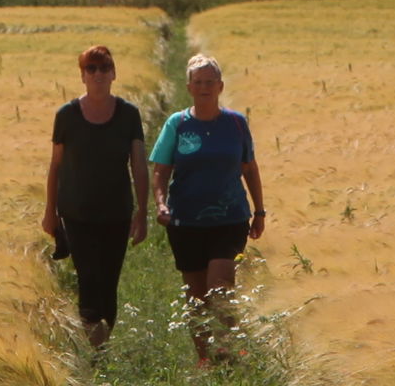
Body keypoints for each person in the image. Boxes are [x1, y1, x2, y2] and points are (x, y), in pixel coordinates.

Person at [149, 52, 265, 365]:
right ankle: (204, 359)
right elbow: (160, 170)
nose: (205, 87)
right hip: (185, 220)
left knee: (221, 287)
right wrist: (160, 203)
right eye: (198, 82)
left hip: (230, 218)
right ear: (189, 87)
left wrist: (260, 211)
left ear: (220, 86)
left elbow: (249, 168)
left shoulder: (236, 124)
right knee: (197, 297)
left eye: (210, 82)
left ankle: (228, 352)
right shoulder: (178, 124)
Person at [40, 43, 151, 348]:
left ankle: (101, 346)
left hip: (116, 212)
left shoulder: (129, 115)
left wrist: (142, 212)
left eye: (104, 68)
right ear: (83, 76)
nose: (98, 74)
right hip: (77, 213)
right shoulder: (66, 116)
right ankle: (96, 351)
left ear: (114, 74)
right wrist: (50, 211)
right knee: (88, 279)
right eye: (92, 68)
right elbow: (56, 165)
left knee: (108, 283)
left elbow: (139, 165)